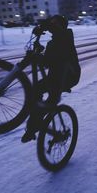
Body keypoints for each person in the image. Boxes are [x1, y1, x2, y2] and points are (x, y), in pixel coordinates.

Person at [21, 15, 81, 143]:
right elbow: (48, 63)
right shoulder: (51, 43)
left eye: (55, 23)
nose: (53, 25)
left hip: (69, 76)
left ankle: (36, 123)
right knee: (34, 90)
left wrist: (47, 25)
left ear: (62, 26)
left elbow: (60, 57)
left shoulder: (67, 36)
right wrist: (38, 54)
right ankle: (35, 126)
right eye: (52, 22)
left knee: (50, 101)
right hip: (54, 77)